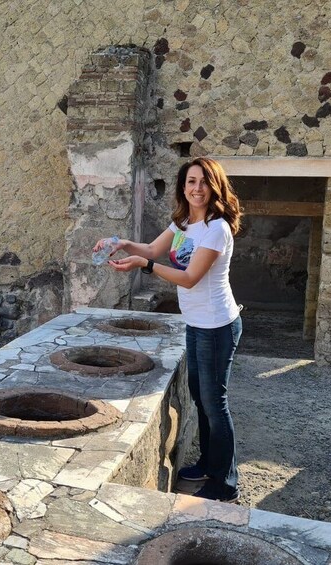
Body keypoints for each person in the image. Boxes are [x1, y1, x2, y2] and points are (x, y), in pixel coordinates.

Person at [93, 156, 243, 502]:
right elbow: (150, 249)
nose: (197, 188)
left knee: (214, 402)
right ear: (183, 187)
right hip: (196, 323)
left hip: (217, 326)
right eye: (191, 181)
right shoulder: (184, 223)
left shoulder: (217, 228)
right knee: (201, 399)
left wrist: (146, 266)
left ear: (215, 186)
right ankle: (208, 463)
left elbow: (190, 279)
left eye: (204, 182)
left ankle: (224, 482)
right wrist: (121, 243)